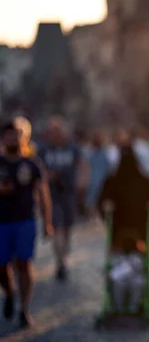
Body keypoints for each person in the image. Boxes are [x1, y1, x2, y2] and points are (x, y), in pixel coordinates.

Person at [0, 122, 53, 328]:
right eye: (9, 135)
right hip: (2, 222)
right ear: (3, 139)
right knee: (2, 266)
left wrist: (48, 222)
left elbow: (43, 193)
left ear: (24, 137)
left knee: (24, 264)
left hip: (25, 221)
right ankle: (9, 292)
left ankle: (24, 308)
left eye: (17, 135)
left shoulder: (32, 164)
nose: (13, 139)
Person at [98, 145, 149, 314]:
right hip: (133, 234)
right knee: (131, 270)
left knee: (128, 271)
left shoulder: (114, 180)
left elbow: (102, 201)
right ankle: (127, 305)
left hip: (125, 233)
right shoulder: (142, 180)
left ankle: (128, 305)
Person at [38, 116, 86, 281]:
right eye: (53, 131)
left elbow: (82, 165)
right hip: (52, 195)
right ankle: (60, 262)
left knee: (67, 229)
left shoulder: (72, 148)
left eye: (58, 131)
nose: (56, 134)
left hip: (69, 193)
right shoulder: (44, 150)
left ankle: (64, 257)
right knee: (56, 227)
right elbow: (38, 170)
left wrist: (81, 183)